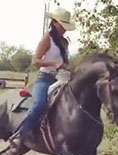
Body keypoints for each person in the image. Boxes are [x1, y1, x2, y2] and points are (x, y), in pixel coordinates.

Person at [11, 7, 76, 145]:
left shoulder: (64, 42)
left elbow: (64, 62)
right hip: (45, 78)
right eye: (62, 25)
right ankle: (21, 135)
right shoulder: (47, 39)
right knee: (40, 104)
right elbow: (35, 61)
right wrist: (55, 63)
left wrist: (68, 67)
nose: (64, 29)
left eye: (66, 26)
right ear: (54, 23)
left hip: (60, 79)